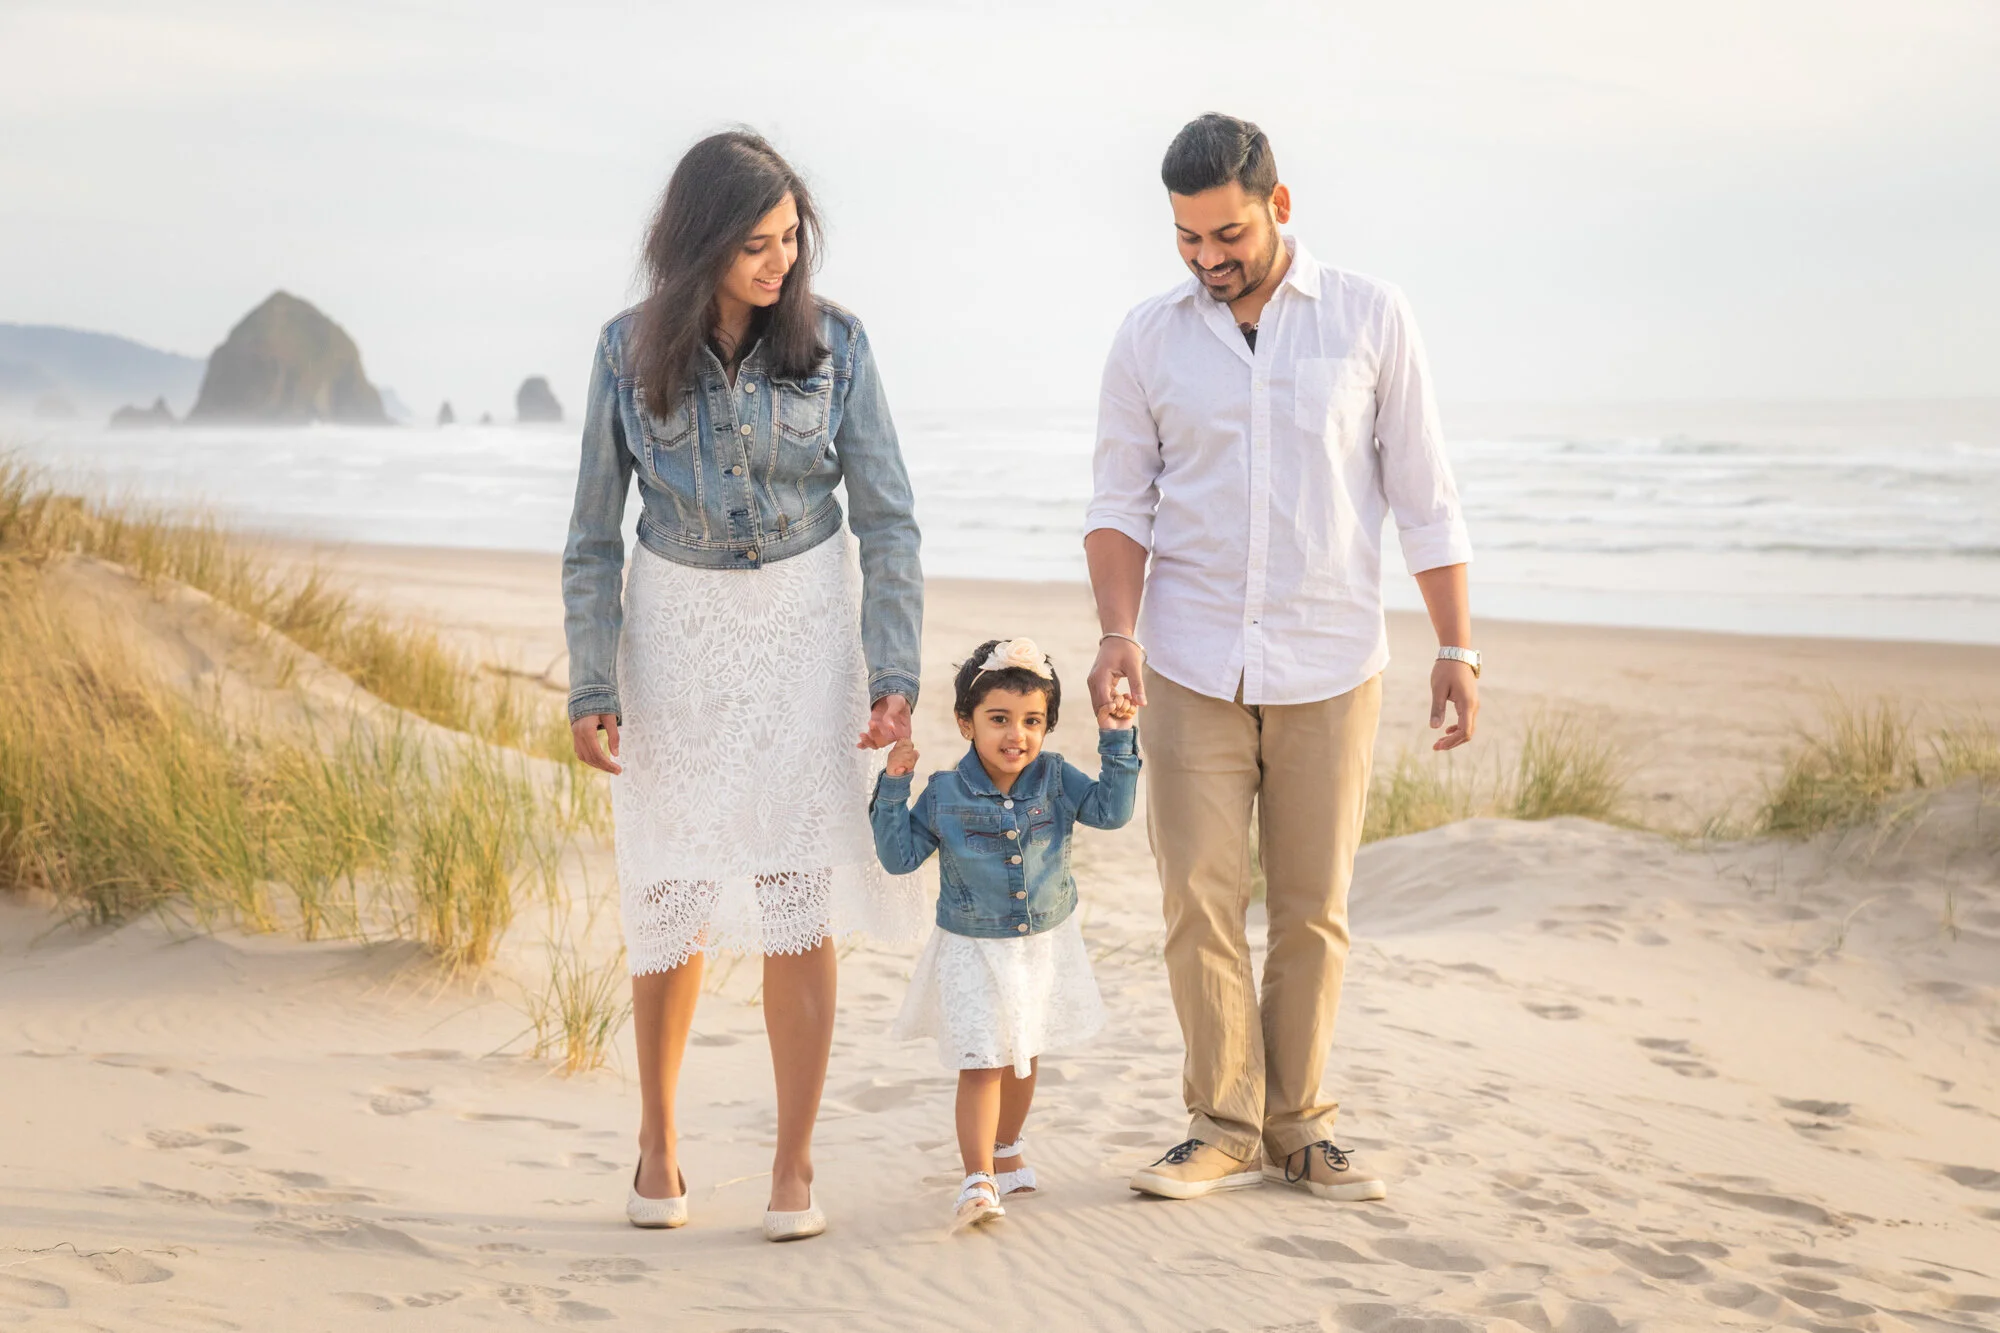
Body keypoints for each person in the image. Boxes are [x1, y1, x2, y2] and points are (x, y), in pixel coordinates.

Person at [1084, 113, 1481, 1204]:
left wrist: (1456, 644)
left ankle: (1298, 1125)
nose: (1208, 259)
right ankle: (1218, 1123)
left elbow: (1422, 495)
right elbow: (1119, 502)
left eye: (1226, 235)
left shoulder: (1369, 317)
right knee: (1197, 900)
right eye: (1185, 240)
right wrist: (1117, 632)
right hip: (1188, 661)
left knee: (1312, 905)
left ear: (1279, 206)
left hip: (1330, 659)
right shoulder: (1146, 339)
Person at [561, 130, 928, 1241]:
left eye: (789, 240)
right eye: (756, 244)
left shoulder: (839, 347)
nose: (779, 263)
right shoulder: (624, 350)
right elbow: (590, 535)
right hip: (674, 633)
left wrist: (894, 671)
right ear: (700, 244)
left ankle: (792, 1165)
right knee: (667, 891)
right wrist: (589, 682)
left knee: (790, 893)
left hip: (805, 631)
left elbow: (888, 517)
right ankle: (657, 1147)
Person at [870, 639, 1139, 1228]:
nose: (1016, 735)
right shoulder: (943, 792)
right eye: (999, 720)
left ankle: (1007, 1150)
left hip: (1042, 943)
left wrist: (1117, 736)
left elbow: (1112, 813)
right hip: (970, 947)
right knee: (982, 1060)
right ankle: (978, 1178)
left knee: (1024, 1050)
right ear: (967, 723)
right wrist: (893, 786)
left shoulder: (1057, 778)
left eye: (1032, 721)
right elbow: (899, 858)